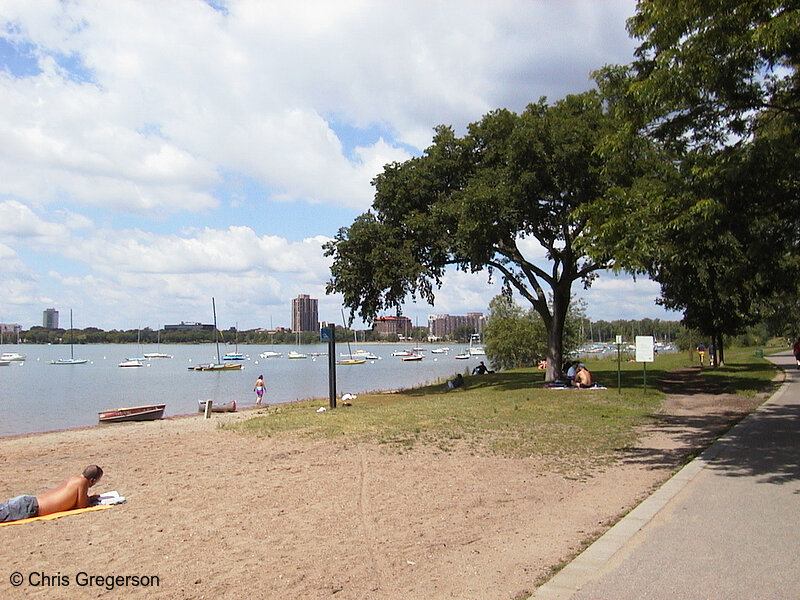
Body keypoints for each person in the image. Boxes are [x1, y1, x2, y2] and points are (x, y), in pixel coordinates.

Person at [0, 465, 103, 523]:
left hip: (28, 503)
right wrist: (91, 499)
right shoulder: (83, 482)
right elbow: (82, 505)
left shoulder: (74, 479)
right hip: (30, 507)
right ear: (92, 480)